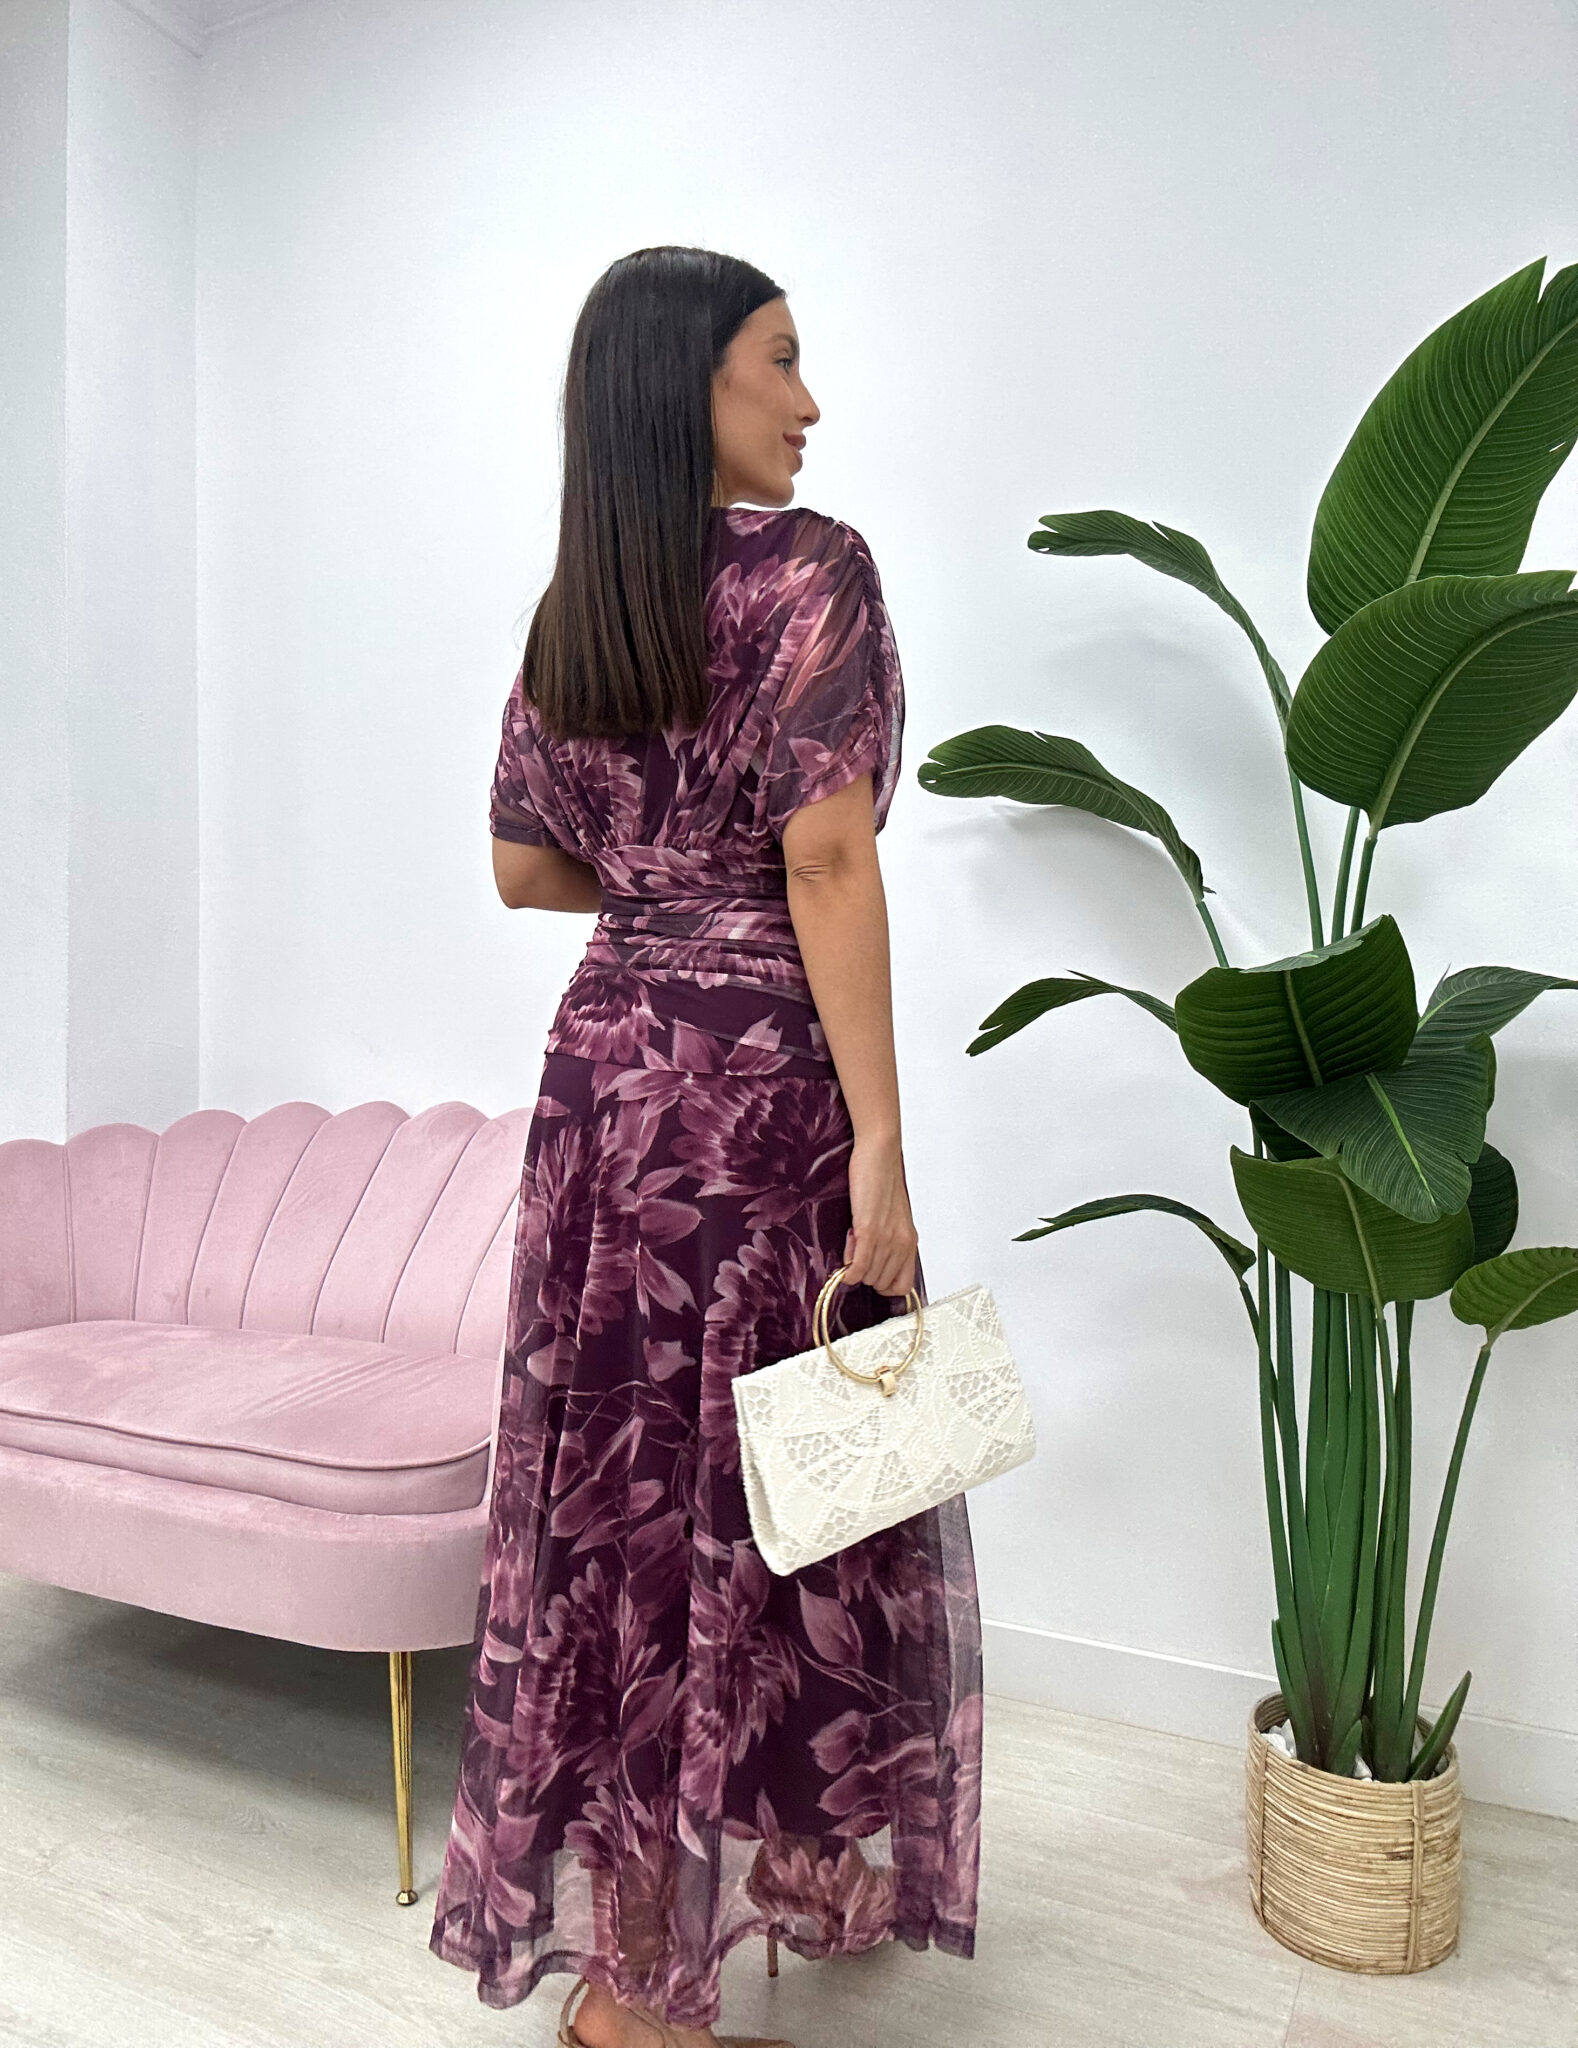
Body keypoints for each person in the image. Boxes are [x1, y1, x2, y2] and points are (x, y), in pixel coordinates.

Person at [428, 246, 983, 2048]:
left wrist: (664, 896)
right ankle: (661, 1980)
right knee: (789, 1481)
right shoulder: (810, 572)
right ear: (692, 385)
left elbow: (524, 868)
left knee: (626, 1498)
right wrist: (882, 1147)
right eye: (779, 363)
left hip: (604, 1083)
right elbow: (825, 857)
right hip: (756, 1098)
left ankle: (645, 1945)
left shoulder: (572, 611)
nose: (809, 406)